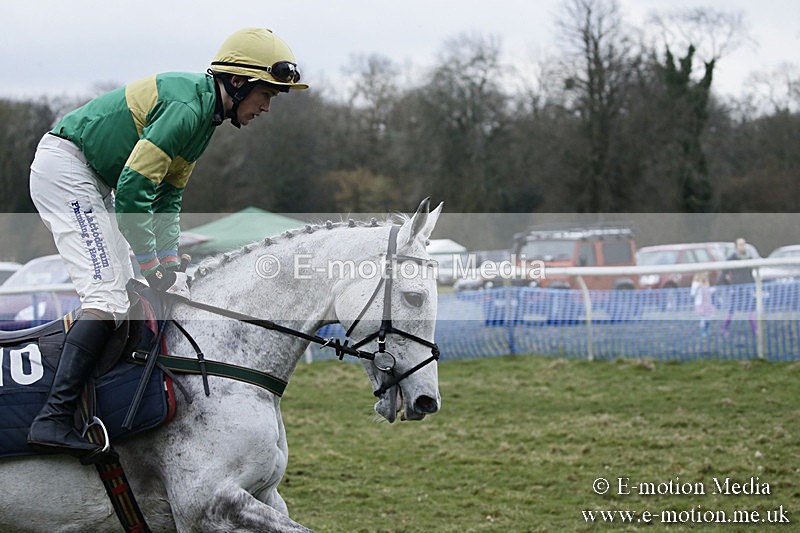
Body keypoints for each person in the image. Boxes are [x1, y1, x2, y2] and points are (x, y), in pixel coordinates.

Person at [26, 28, 308, 462]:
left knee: (127, 292)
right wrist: (153, 265)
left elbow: (168, 197)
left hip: (97, 178)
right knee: (106, 293)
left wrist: (170, 265)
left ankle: (102, 400)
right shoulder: (185, 108)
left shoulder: (204, 117)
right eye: (266, 94)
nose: (267, 107)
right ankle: (53, 418)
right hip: (67, 171)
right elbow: (136, 190)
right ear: (237, 82)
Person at [721, 237, 756, 336]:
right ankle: (725, 328)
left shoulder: (749, 258)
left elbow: (750, 273)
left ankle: (755, 329)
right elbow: (723, 273)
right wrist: (727, 284)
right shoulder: (731, 259)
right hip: (736, 289)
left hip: (748, 287)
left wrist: (753, 286)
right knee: (731, 310)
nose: (742, 246)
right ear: (736, 247)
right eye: (740, 244)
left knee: (752, 308)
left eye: (744, 244)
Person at [690, 271, 714, 336]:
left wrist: (713, 289)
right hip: (700, 304)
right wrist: (697, 287)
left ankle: (705, 328)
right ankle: (703, 331)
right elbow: (692, 294)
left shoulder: (706, 282)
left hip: (708, 303)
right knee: (703, 318)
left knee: (710, 317)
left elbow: (709, 292)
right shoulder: (695, 283)